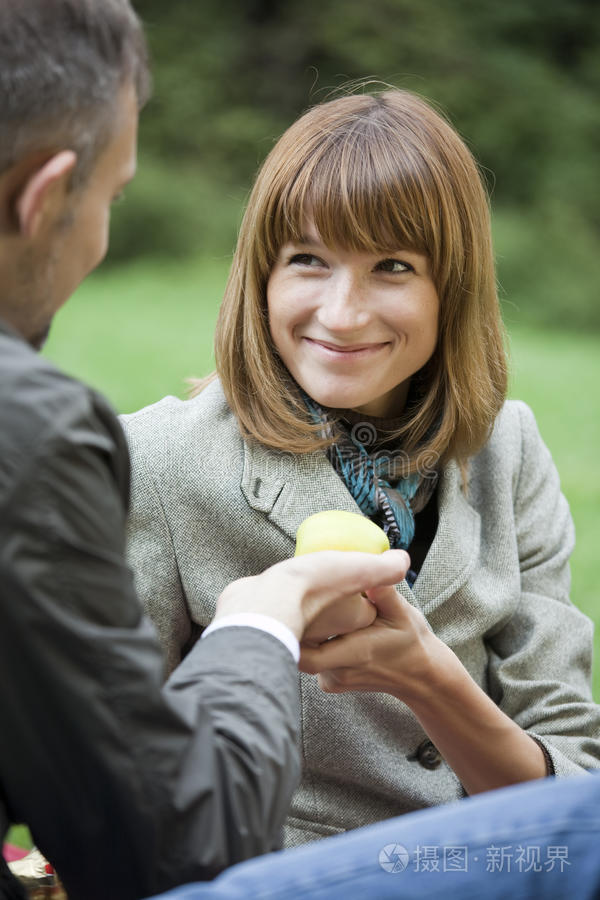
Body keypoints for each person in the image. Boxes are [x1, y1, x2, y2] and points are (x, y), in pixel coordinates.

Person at [0, 3, 412, 899]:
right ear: (41, 199)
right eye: (110, 199)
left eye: (394, 266)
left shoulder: (513, 447)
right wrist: (257, 622)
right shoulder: (36, 429)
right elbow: (165, 841)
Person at [122, 87, 600, 848]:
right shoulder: (158, 460)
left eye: (392, 267)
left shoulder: (509, 448)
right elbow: (114, 778)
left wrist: (429, 677)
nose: (342, 313)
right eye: (307, 259)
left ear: (453, 288)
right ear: (262, 275)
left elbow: (573, 790)